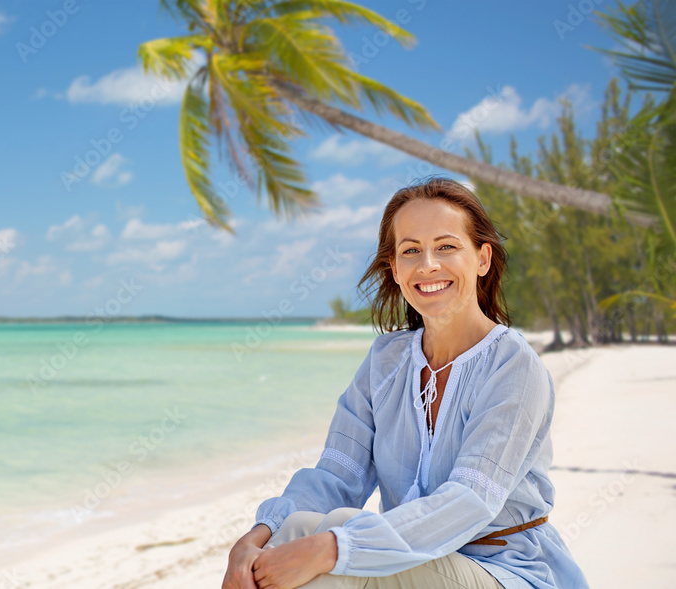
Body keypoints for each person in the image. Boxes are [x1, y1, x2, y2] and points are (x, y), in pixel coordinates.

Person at [222, 178, 589, 589]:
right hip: (407, 562)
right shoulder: (386, 361)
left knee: (336, 541)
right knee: (299, 527)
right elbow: (336, 476)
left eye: (446, 246)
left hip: (506, 570)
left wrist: (334, 548)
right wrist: (257, 536)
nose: (428, 264)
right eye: (411, 250)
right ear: (395, 269)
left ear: (482, 258)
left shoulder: (514, 366)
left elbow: (468, 502)